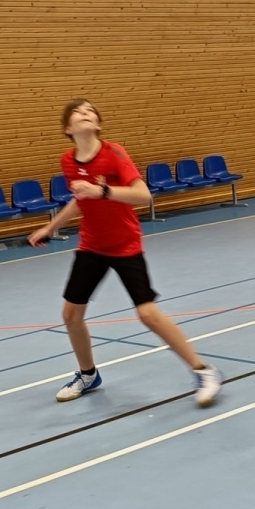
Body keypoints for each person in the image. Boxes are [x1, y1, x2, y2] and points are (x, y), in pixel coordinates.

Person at [28, 99, 223, 406]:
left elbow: (144, 196)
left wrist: (102, 191)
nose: (85, 113)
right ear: (67, 129)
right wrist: (51, 227)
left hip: (125, 244)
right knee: (71, 314)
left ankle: (203, 371)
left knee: (148, 314)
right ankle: (88, 375)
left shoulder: (114, 153)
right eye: (78, 112)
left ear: (98, 124)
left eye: (90, 111)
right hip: (92, 245)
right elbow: (81, 200)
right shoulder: (68, 161)